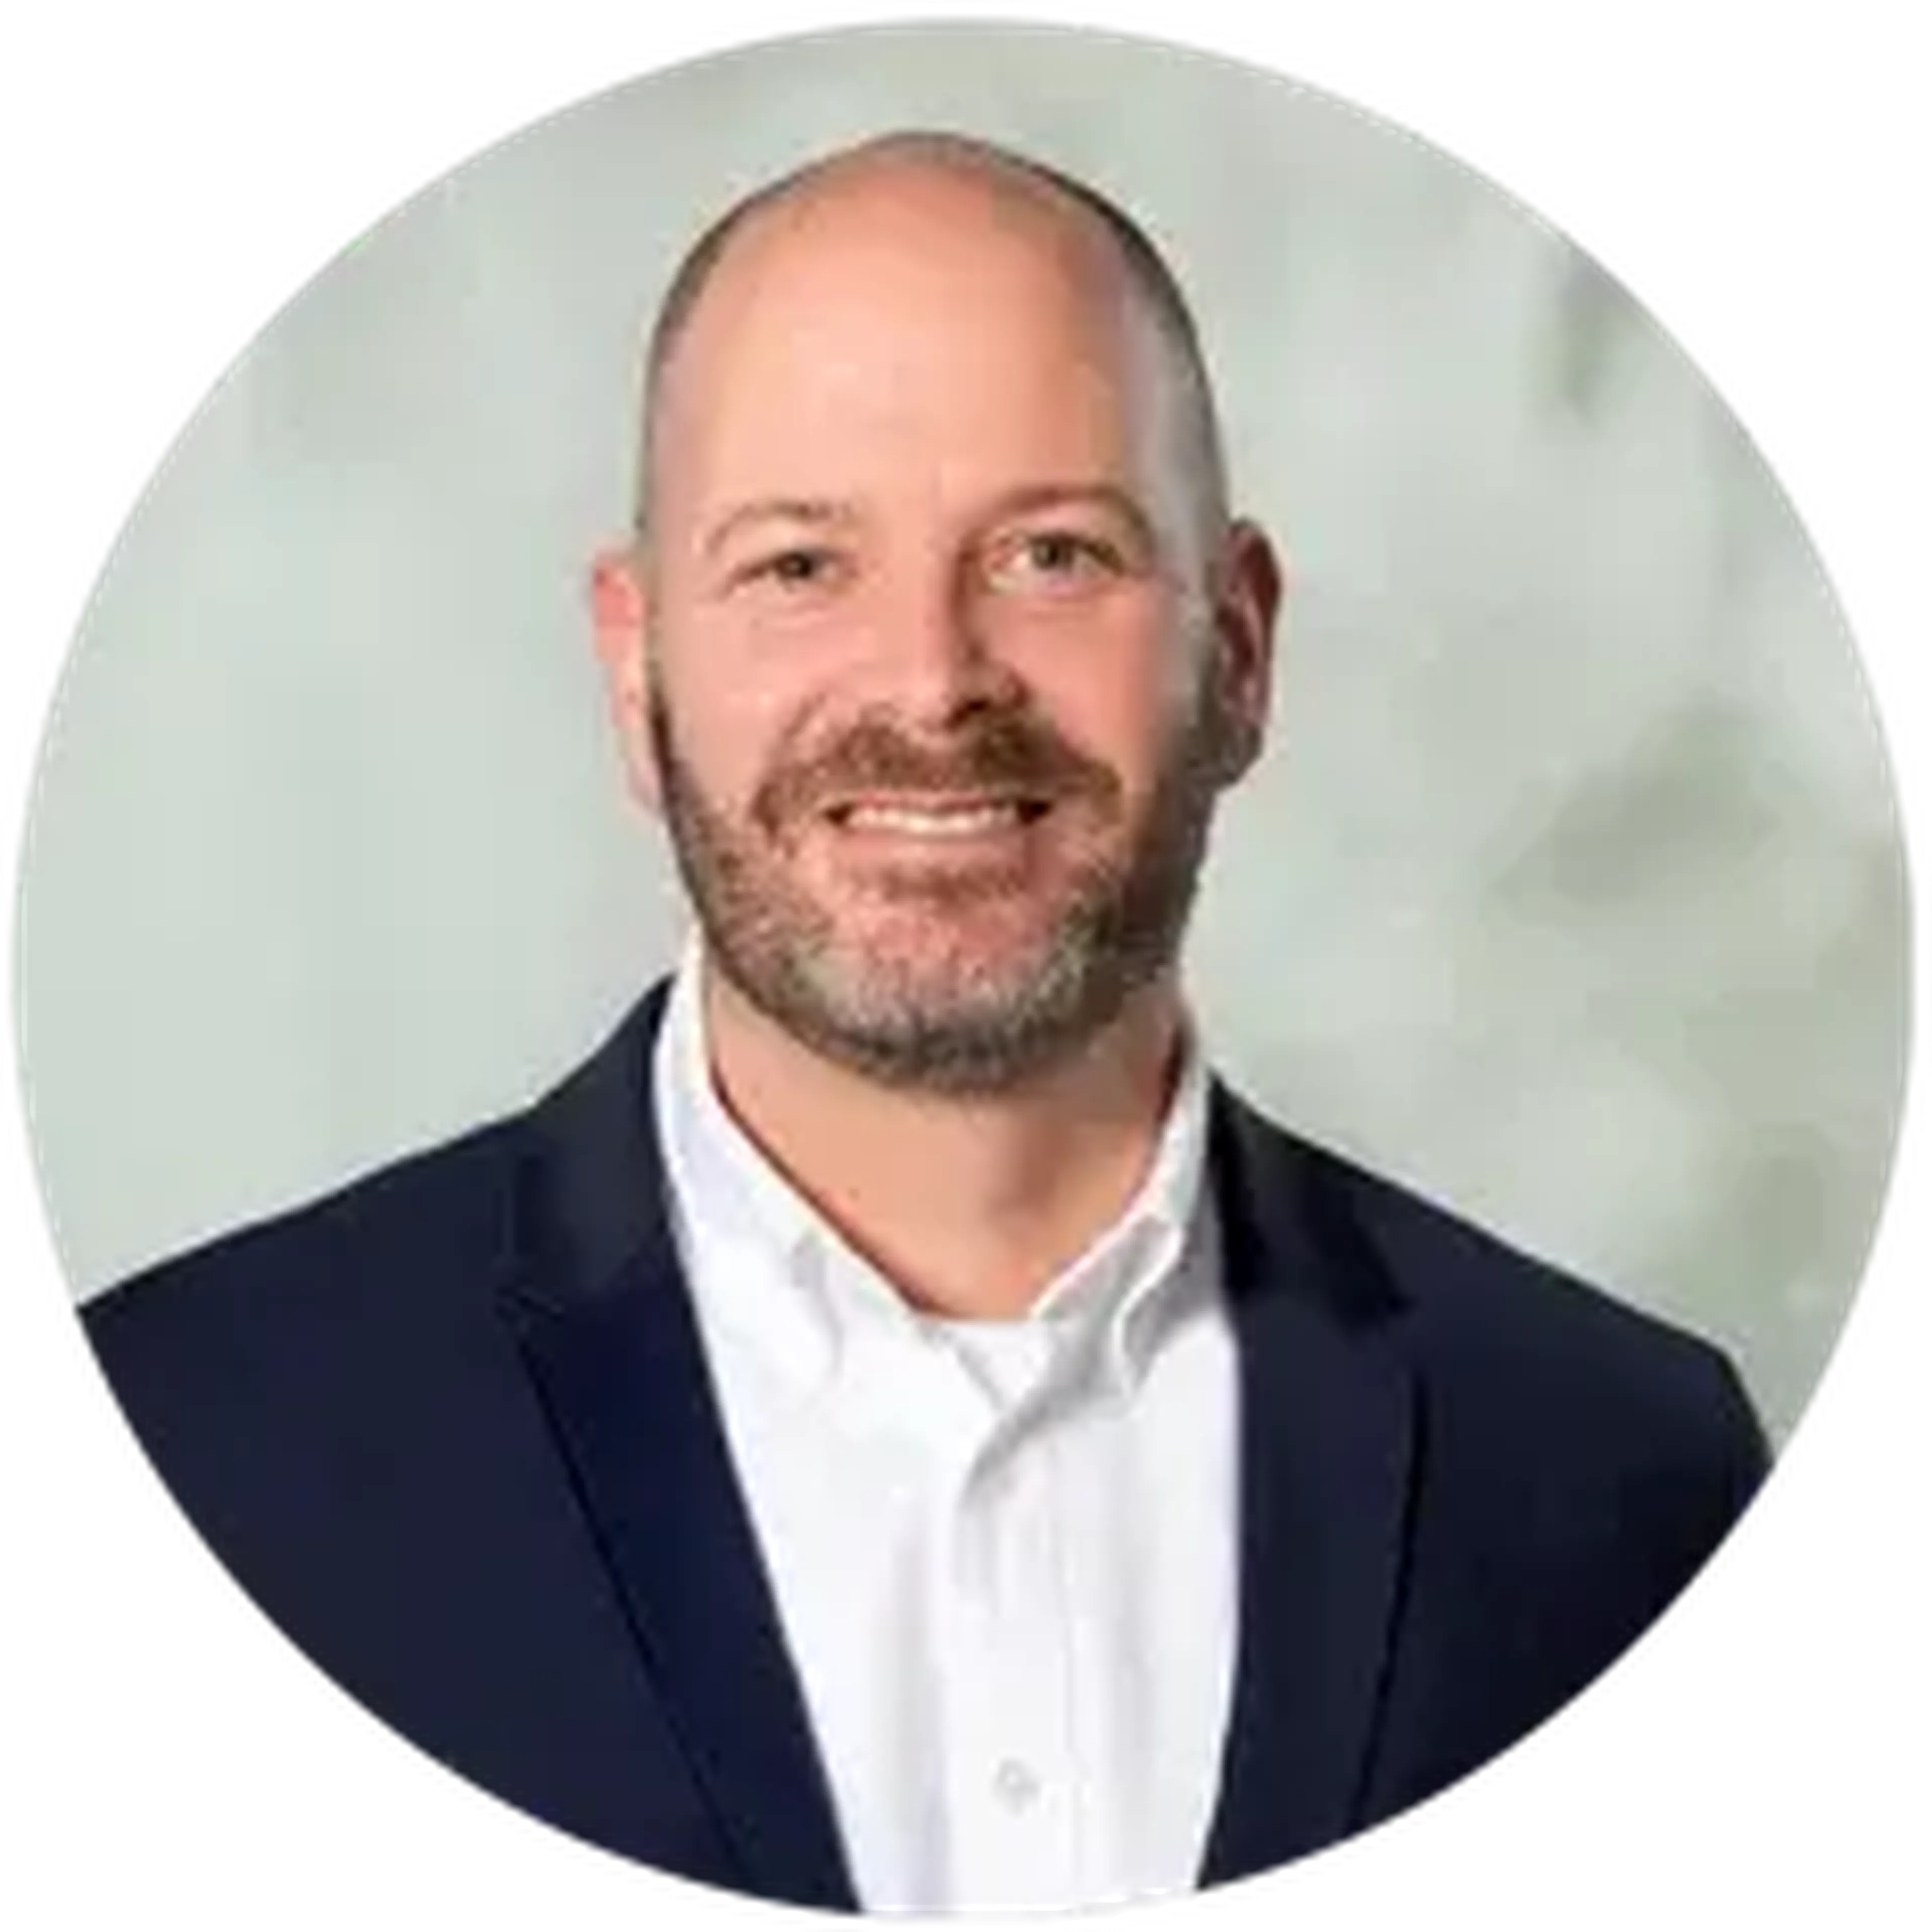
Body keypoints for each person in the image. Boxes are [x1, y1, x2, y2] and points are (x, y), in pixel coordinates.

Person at [70, 130, 1774, 1926]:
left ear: (1243, 647)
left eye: (1053, 552)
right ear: (634, 672)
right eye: (802, 566)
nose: (932, 682)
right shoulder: (199, 1449)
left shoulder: (1622, 1480)